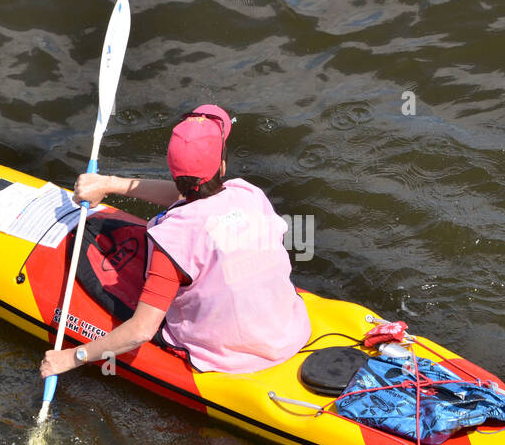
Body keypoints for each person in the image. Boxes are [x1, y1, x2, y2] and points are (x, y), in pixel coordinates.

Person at [37, 105, 311, 380]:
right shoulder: (248, 194)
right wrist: (108, 184)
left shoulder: (172, 242)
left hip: (231, 357)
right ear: (222, 166)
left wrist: (72, 357)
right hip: (290, 330)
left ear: (173, 171)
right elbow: (192, 197)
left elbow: (141, 331)